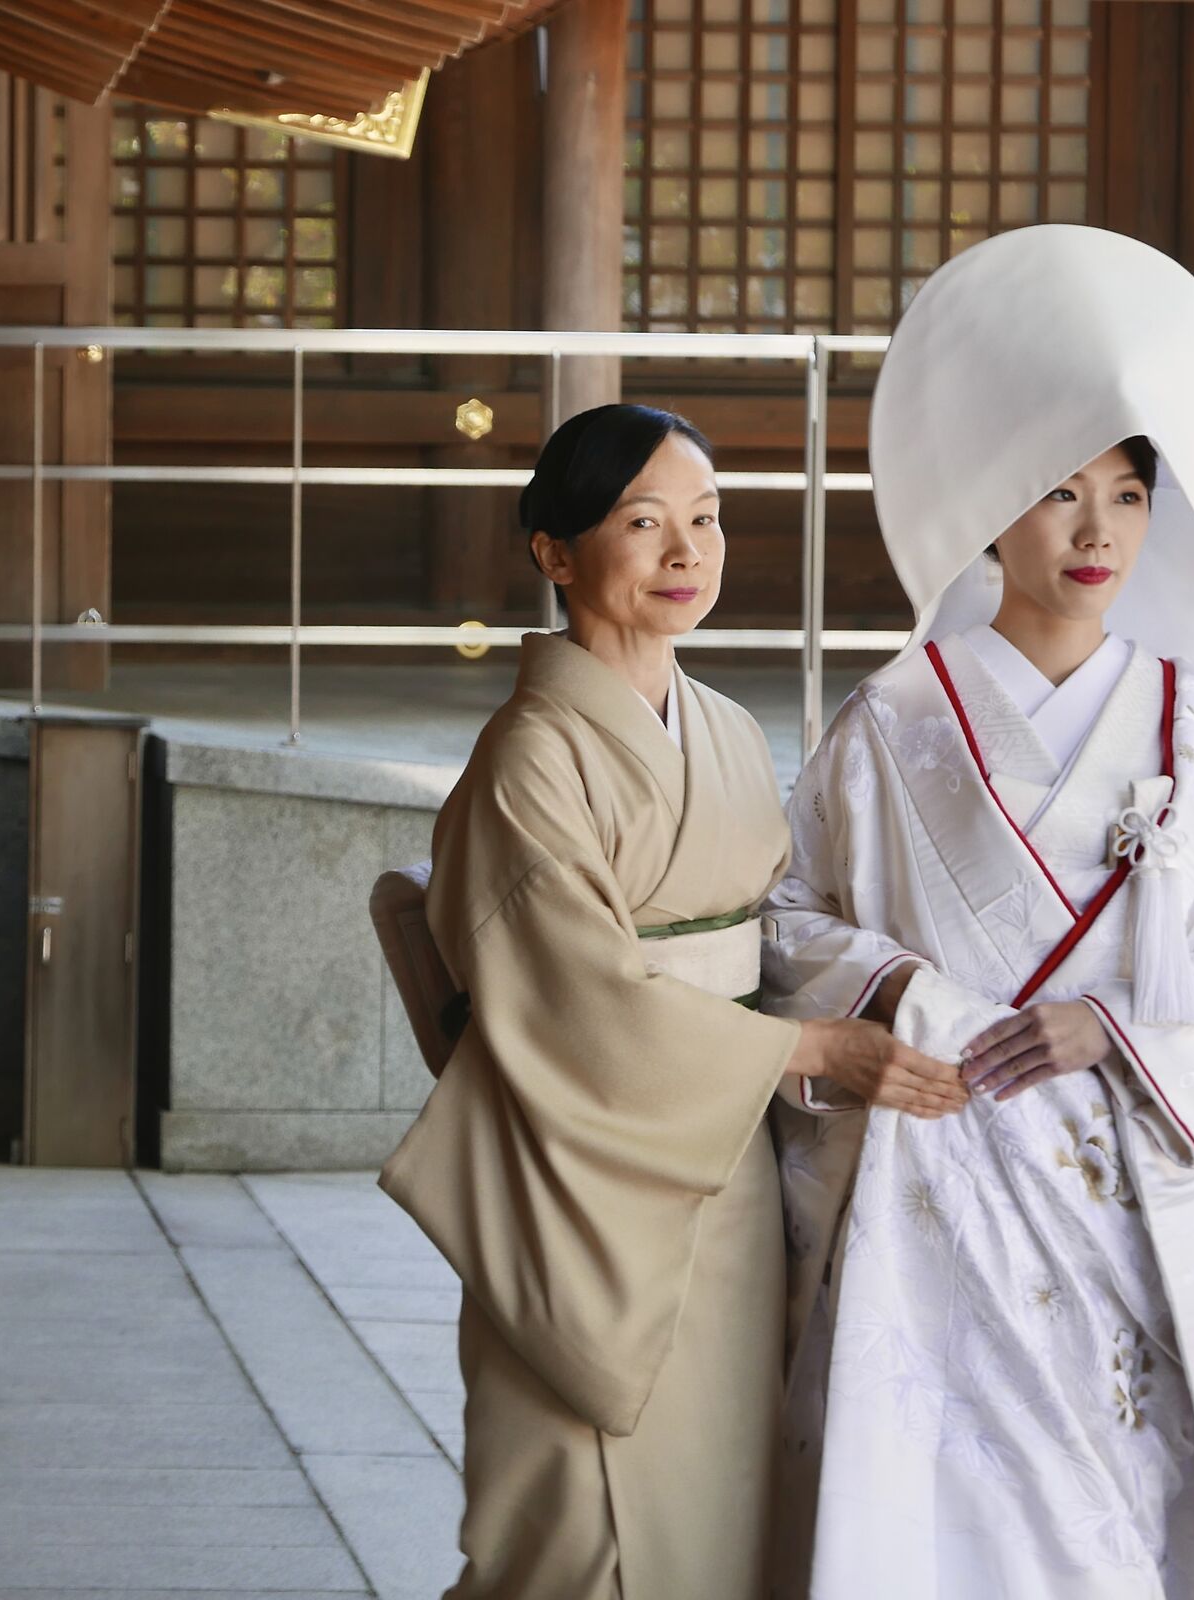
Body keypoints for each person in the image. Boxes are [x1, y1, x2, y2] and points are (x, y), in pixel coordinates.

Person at [763, 225, 1194, 1600]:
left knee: (1120, 1533)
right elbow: (785, 916)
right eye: (1061, 494)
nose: (1095, 534)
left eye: (1127, 497)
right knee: (963, 1537)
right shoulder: (893, 719)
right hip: (943, 1173)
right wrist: (900, 993)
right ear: (998, 509)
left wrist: (1116, 1031)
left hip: (1137, 1177)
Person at [379, 403, 968, 1600]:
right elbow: (580, 1005)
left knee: (723, 1513)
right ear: (555, 551)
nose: (686, 553)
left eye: (705, 521)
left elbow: (778, 927)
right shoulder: (530, 757)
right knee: (568, 1530)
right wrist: (804, 1043)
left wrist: (879, 991)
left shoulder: (732, 734)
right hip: (579, 1182)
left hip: (725, 1167)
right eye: (645, 523)